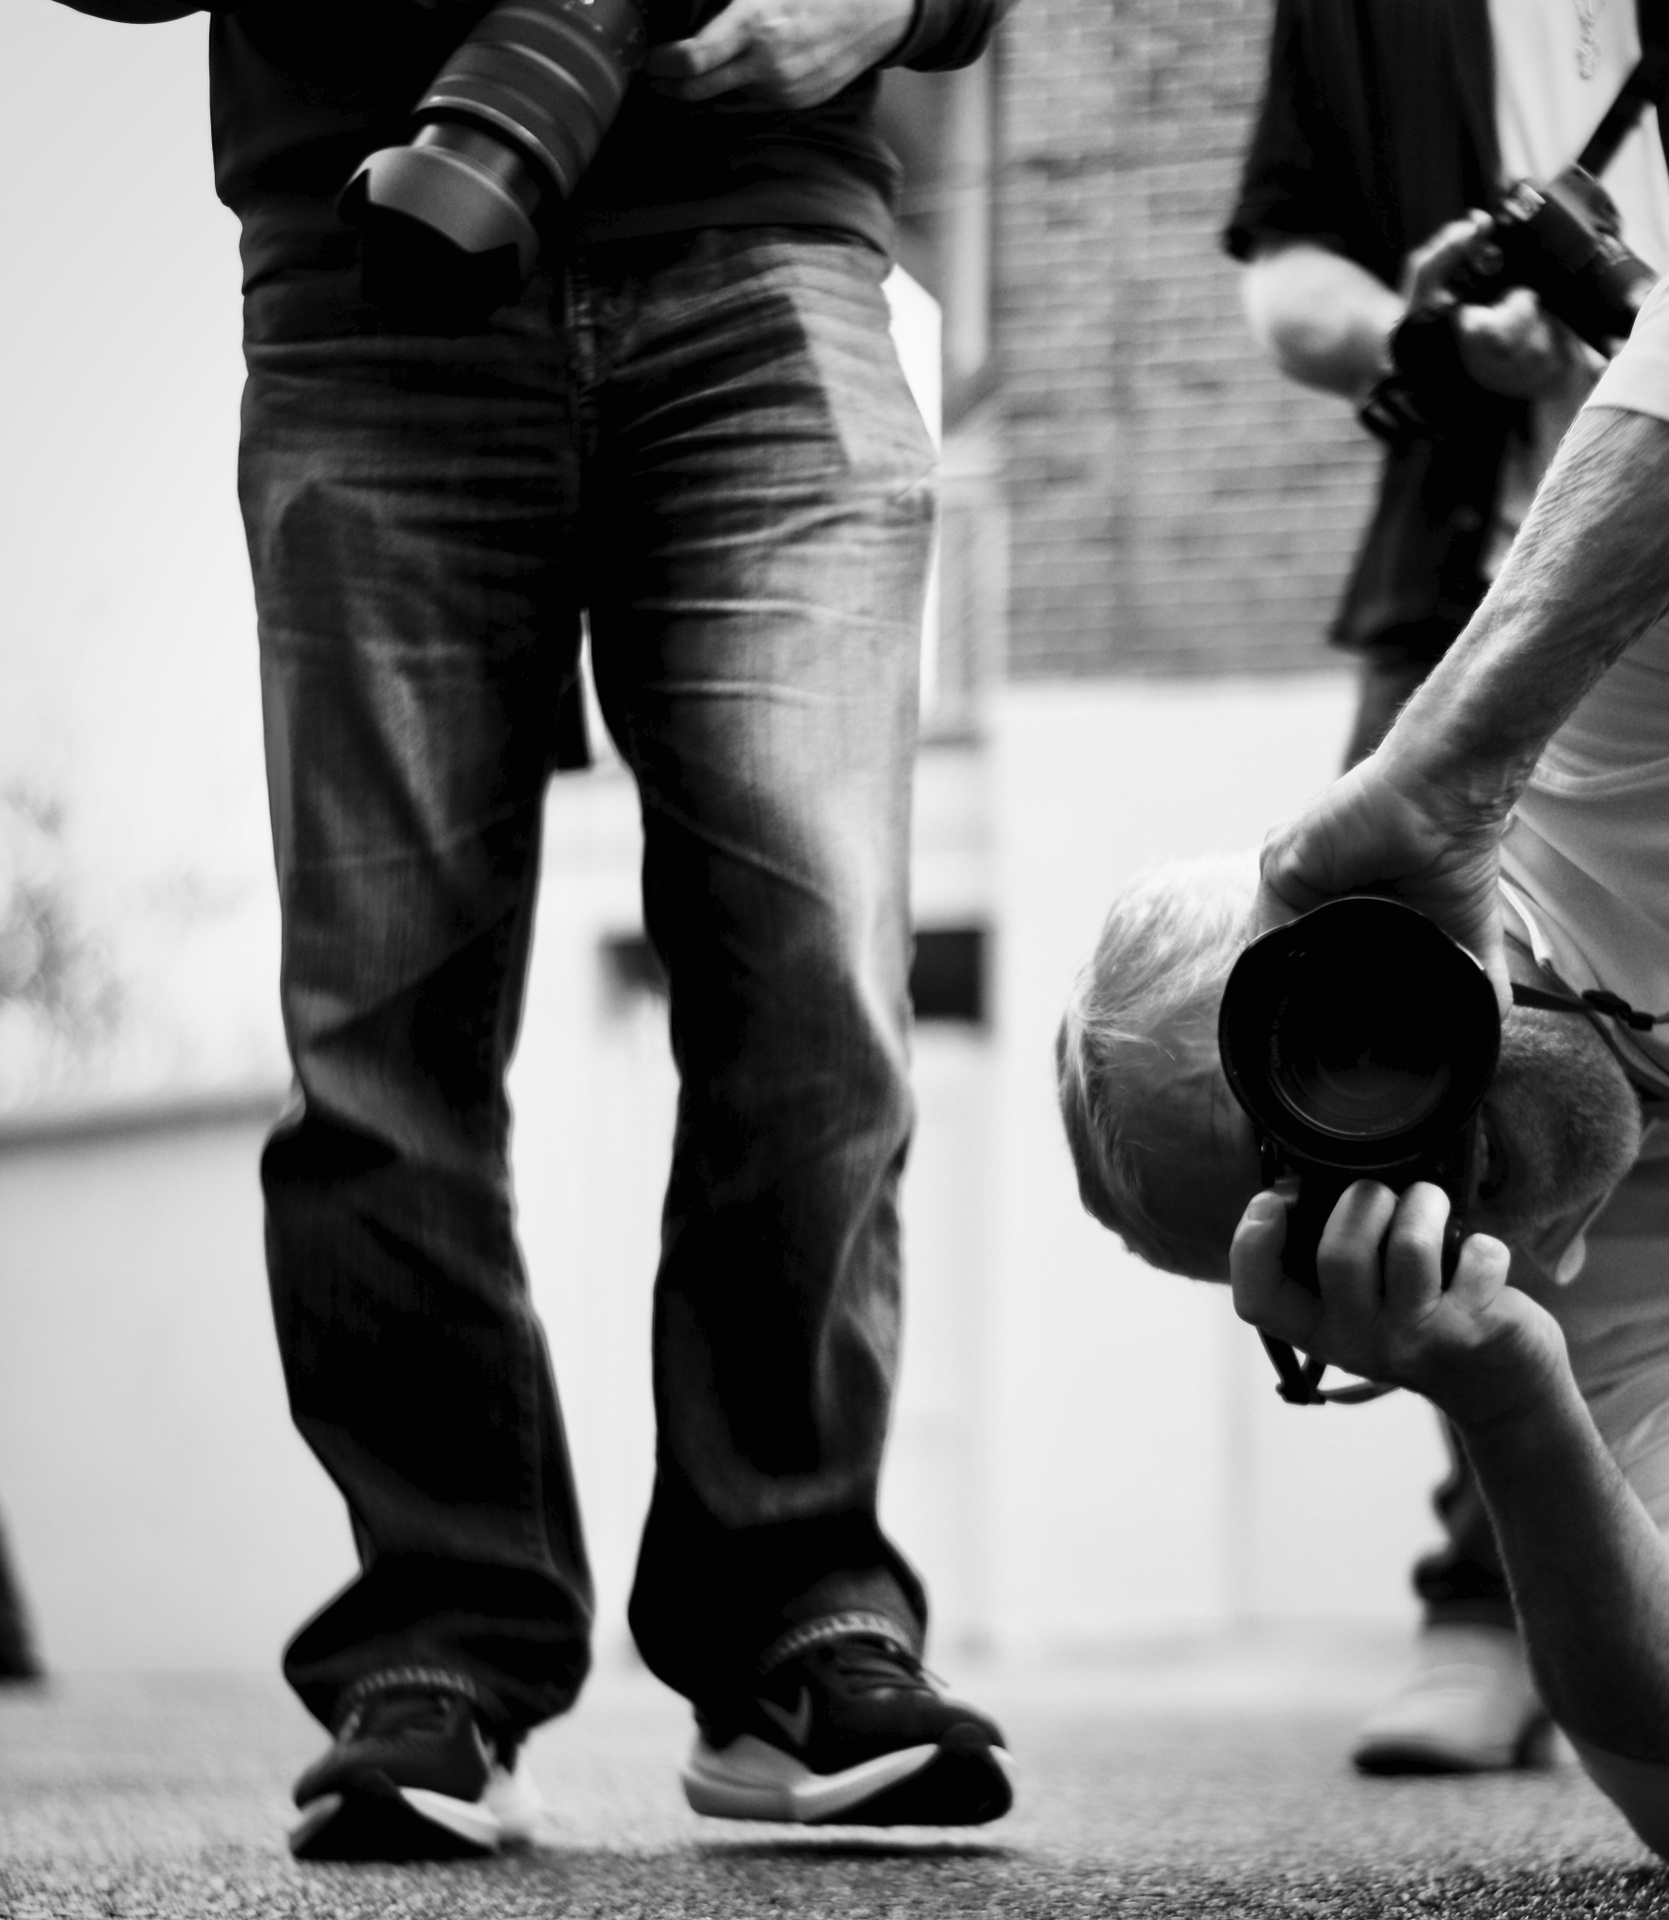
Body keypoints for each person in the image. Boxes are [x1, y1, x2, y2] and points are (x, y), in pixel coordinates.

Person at [57, 0, 1015, 1861]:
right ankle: (441, 1646)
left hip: (767, 254)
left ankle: (792, 1616)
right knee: (382, 1030)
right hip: (376, 251)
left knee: (815, 998)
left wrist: (894, 2)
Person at [1059, 179, 1669, 1868]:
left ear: (1339, 932)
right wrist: (1514, 1410)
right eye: (1307, 1187)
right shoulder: (1596, 1320)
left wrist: (1456, 759)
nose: (1393, 1143)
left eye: (1317, 1061)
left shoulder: (1602, 719)